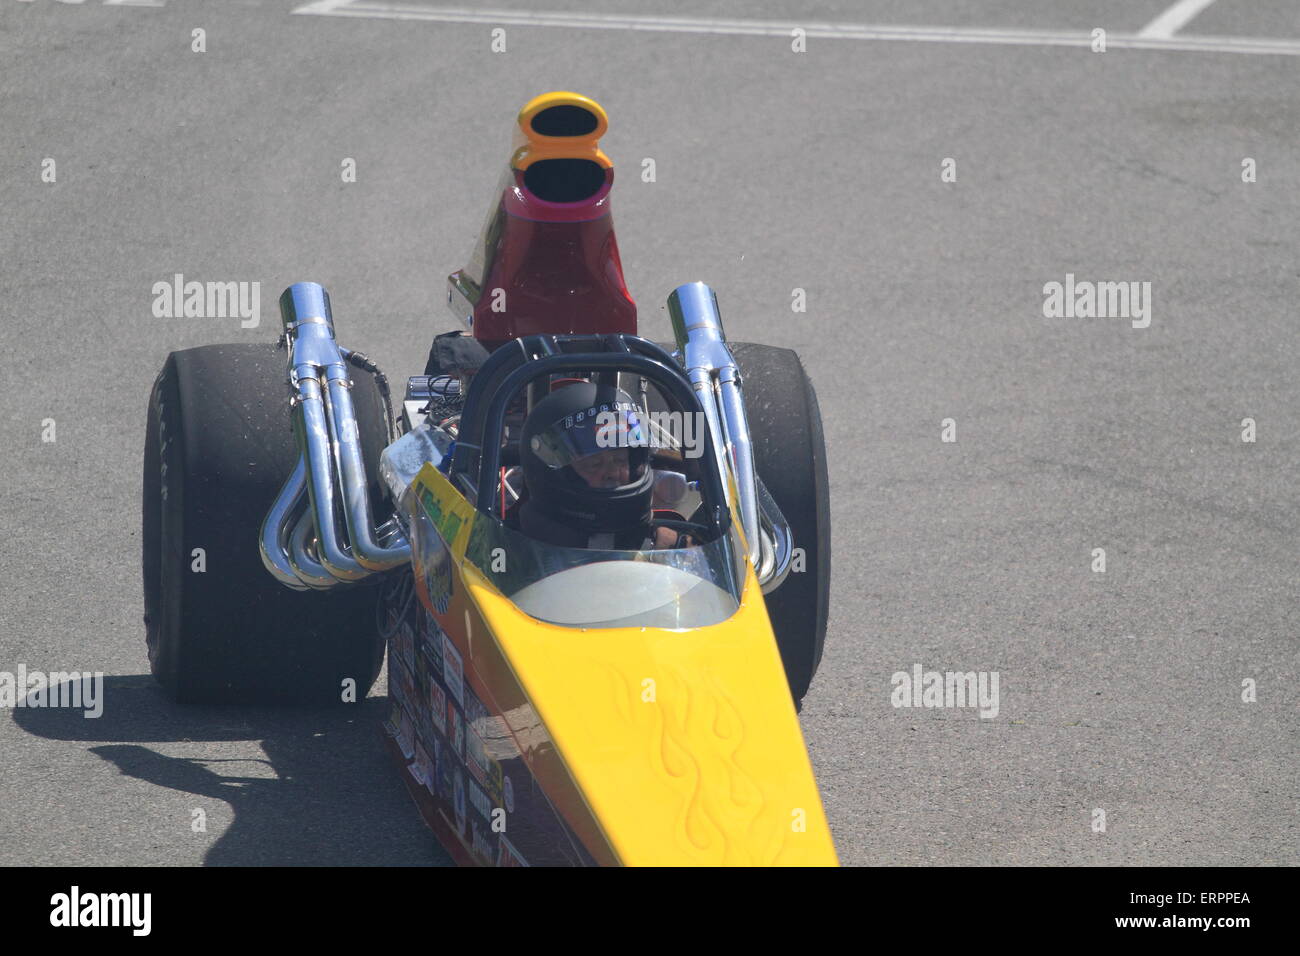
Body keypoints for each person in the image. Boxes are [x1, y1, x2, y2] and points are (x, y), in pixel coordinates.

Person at [517, 381, 692, 550]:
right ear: (558, 474)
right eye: (594, 464)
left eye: (620, 460)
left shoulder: (669, 549)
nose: (612, 473)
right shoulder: (514, 553)